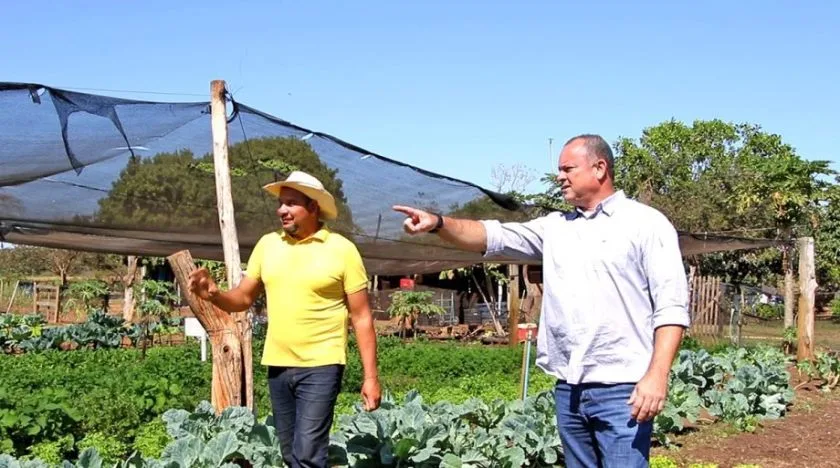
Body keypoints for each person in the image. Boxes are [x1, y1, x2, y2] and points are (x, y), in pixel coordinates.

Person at [393, 134, 689, 467]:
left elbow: (672, 307)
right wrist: (439, 223)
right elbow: (493, 234)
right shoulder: (556, 229)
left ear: (600, 168)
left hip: (623, 389)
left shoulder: (645, 224)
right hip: (570, 388)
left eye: (568, 169)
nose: (559, 176)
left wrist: (657, 375)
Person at [188, 170, 381, 468]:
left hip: (321, 365)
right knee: (291, 454)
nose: (281, 210)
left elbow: (362, 317)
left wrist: (370, 378)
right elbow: (242, 298)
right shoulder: (268, 245)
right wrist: (213, 293)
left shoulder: (342, 250)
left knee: (308, 455)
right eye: (281, 203)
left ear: (314, 207)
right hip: (278, 366)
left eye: (291, 203)